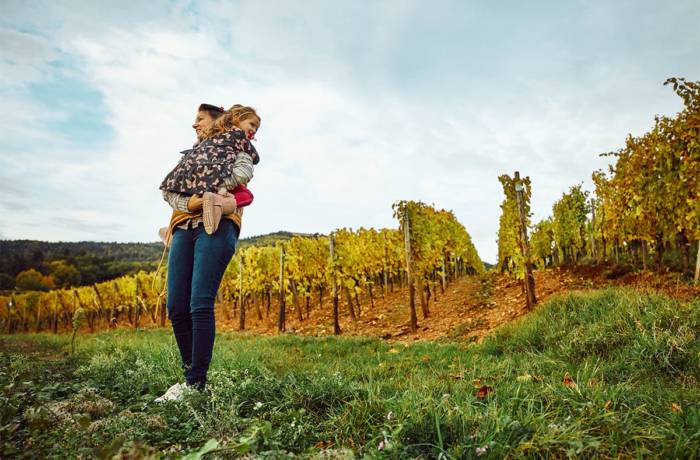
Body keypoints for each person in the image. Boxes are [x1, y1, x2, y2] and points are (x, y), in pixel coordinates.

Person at [155, 103, 261, 402]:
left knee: (200, 303)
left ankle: (194, 384)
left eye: (199, 119)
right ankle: (192, 378)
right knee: (176, 307)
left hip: (215, 228)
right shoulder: (192, 157)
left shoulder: (234, 146)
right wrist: (191, 202)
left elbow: (244, 176)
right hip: (184, 229)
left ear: (220, 122)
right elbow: (170, 192)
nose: (194, 125)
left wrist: (210, 191)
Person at [159, 104, 261, 237]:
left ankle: (218, 207)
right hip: (185, 223)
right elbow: (254, 158)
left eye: (200, 119)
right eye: (252, 125)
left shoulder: (207, 148)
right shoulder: (202, 148)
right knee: (246, 195)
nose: (195, 125)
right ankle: (170, 233)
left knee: (245, 194)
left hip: (213, 221)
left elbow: (244, 169)